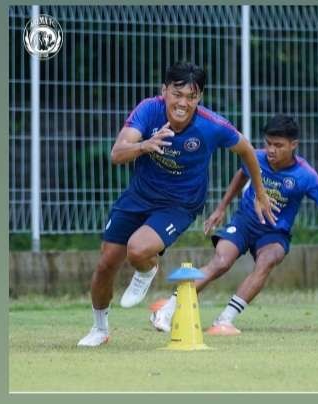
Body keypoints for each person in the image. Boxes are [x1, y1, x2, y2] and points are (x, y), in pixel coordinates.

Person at [77, 62, 276, 347]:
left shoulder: (212, 125)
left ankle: (147, 269)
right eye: (177, 94)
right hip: (139, 195)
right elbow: (117, 153)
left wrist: (259, 191)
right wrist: (145, 145)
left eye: (191, 96)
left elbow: (246, 150)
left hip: (180, 204)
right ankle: (100, 329)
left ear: (200, 98)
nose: (183, 103)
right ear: (164, 91)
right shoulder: (148, 110)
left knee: (137, 249)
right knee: (106, 263)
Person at [150, 114, 318, 336]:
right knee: (221, 262)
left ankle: (225, 320)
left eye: (278, 145)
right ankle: (166, 311)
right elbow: (241, 175)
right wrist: (221, 208)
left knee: (267, 260)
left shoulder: (305, 175)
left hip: (274, 232)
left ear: (294, 145)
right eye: (268, 143)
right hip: (243, 222)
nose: (271, 150)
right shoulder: (257, 158)